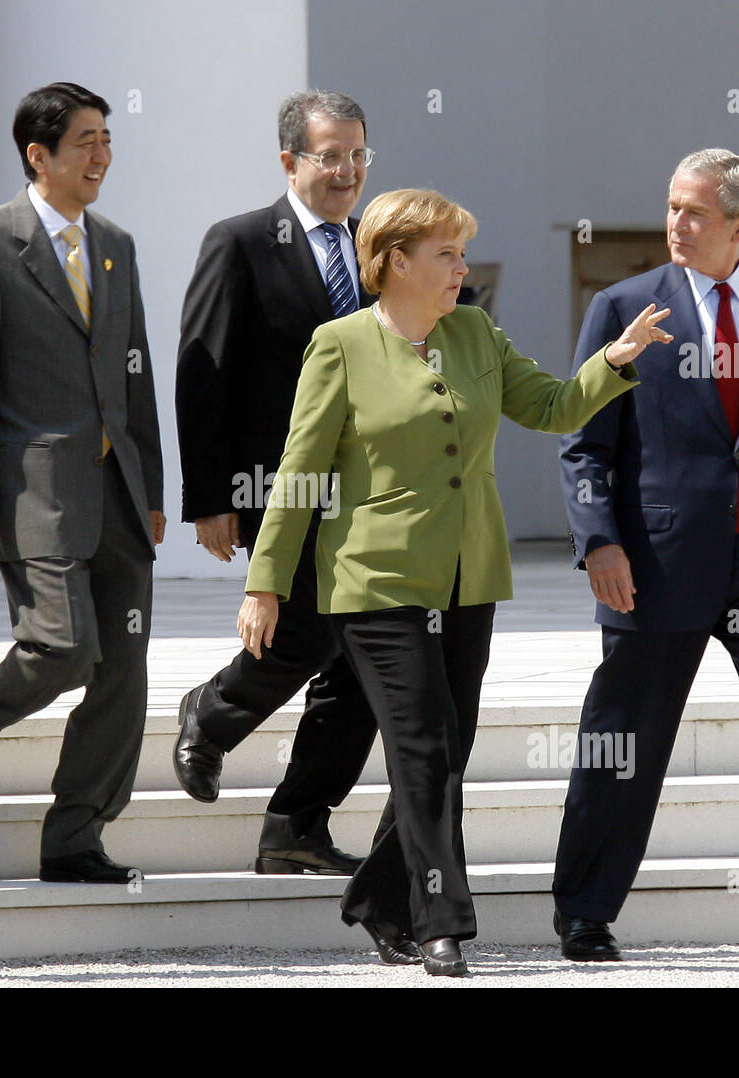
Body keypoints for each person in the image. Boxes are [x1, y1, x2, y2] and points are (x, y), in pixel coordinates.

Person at [239, 188, 666, 976]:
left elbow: (551, 406)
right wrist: (264, 583)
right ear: (395, 261)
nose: (462, 270)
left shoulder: (474, 333)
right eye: (447, 255)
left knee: (449, 746)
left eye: (462, 254)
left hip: (468, 576)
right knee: (426, 748)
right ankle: (443, 921)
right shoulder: (338, 346)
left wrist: (612, 361)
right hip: (375, 579)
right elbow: (299, 473)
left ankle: (376, 896)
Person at [552, 149, 739, 971]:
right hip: (654, 562)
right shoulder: (622, 306)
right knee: (625, 738)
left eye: (696, 212)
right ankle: (584, 914)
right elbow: (585, 445)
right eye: (672, 207)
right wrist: (599, 542)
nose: (676, 224)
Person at [0, 83, 165, 884]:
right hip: (32, 491)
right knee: (63, 648)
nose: (102, 155)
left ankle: (76, 836)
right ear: (39, 155)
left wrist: (155, 486)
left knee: (124, 674)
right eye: (85, 142)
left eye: (107, 138)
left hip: (118, 493)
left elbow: (136, 376)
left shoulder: (117, 245)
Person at [172, 90, 378, 880]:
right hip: (277, 484)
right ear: (290, 160)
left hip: (368, 495)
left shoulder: (373, 246)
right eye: (332, 156)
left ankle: (296, 823)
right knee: (307, 630)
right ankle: (212, 714)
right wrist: (211, 496)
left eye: (359, 155)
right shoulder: (242, 242)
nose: (348, 171)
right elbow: (204, 370)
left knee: (359, 664)